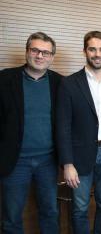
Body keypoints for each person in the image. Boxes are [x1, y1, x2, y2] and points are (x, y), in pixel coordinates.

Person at [56, 31, 101, 233]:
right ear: (84, 51)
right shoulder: (69, 83)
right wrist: (67, 164)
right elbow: (62, 126)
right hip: (79, 157)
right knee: (80, 208)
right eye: (92, 49)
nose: (97, 54)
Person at [0, 32, 62, 233]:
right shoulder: (4, 79)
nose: (40, 56)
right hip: (15, 161)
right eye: (35, 50)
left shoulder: (61, 83)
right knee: (11, 216)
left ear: (52, 57)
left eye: (46, 52)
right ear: (27, 51)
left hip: (48, 161)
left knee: (50, 212)